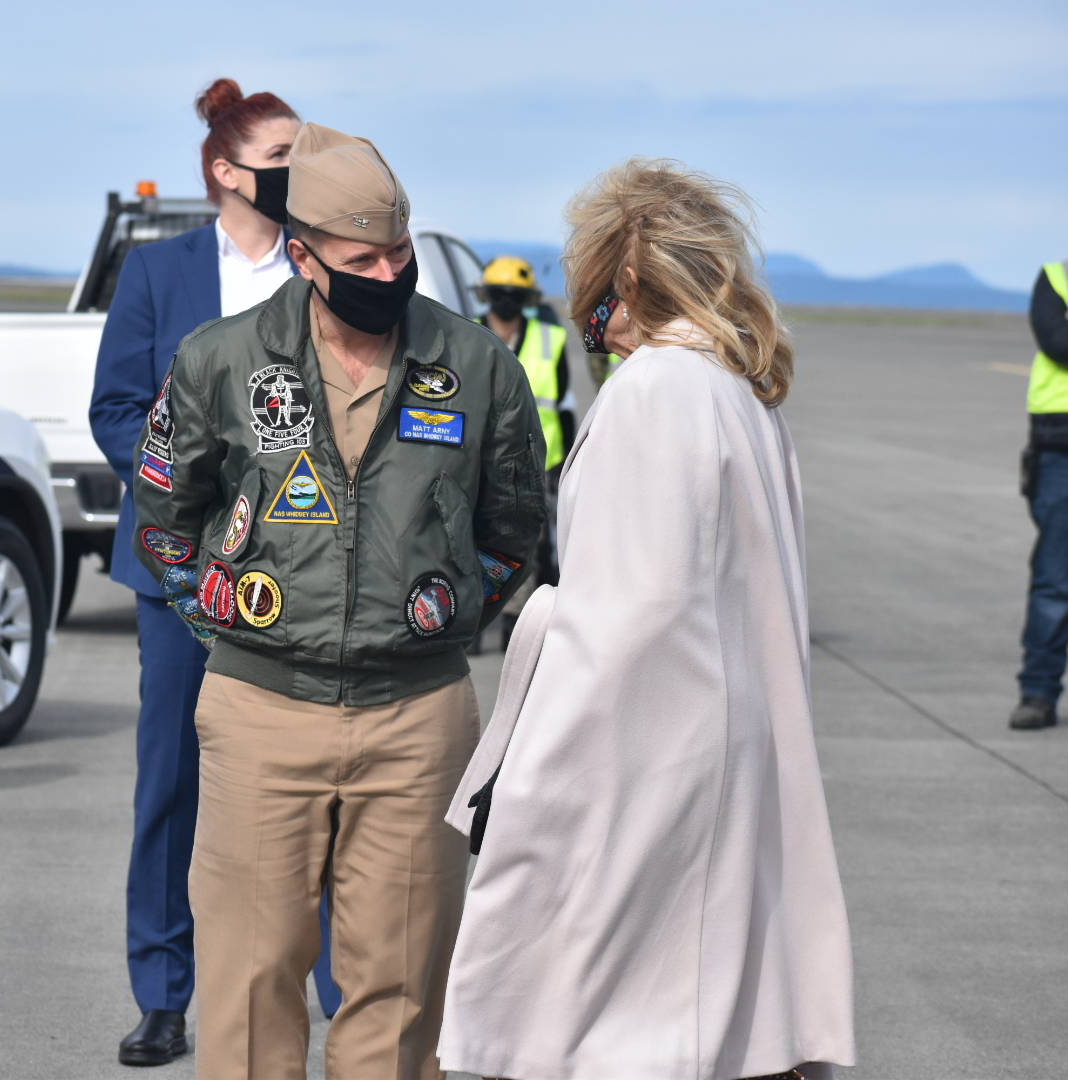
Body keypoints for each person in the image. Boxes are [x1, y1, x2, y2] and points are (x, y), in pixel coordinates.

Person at [131, 121, 544, 1079]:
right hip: (260, 713)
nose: (388, 271)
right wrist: (233, 624)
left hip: (420, 719)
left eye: (399, 251)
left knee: (402, 991)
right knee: (248, 983)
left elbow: (513, 527)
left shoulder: (477, 366)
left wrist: (433, 617)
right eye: (363, 257)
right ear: (305, 255)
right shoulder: (221, 359)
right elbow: (163, 520)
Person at [439, 160, 855, 1080]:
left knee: (623, 1034)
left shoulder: (656, 391)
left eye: (592, 278)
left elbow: (628, 628)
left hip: (652, 780)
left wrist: (531, 781)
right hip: (728, 764)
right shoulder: (739, 391)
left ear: (625, 279)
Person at [88, 77, 340, 1067]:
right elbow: (116, 410)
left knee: (320, 779)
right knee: (175, 783)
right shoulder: (158, 274)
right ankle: (163, 993)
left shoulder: (322, 268)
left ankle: (336, 984)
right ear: (226, 172)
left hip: (307, 570)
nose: (298, 175)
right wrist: (191, 494)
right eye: (283, 160)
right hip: (180, 571)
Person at [476, 255, 575, 587]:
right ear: (487, 295)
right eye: (499, 294)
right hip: (478, 460)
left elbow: (559, 399)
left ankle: (527, 626)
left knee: (540, 548)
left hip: (541, 462)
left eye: (513, 295)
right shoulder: (468, 337)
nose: (506, 302)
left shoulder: (551, 340)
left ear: (526, 299)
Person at [1009, 257, 1068, 730]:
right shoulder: (1056, 276)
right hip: (1060, 448)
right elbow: (1058, 342)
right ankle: (1038, 692)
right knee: (1055, 579)